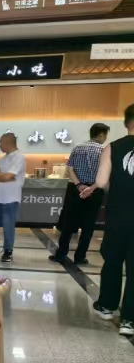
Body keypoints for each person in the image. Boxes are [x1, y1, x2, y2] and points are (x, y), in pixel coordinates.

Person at [81, 106, 134, 336]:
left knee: (113, 260)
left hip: (118, 214)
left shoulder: (113, 147)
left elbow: (101, 182)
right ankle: (129, 320)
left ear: (126, 122)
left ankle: (107, 306)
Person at [50, 123, 109, 265]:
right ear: (101, 134)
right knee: (88, 226)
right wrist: (91, 188)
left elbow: (69, 168)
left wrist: (79, 185)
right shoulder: (104, 151)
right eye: (105, 135)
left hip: (75, 190)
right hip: (95, 191)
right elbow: (105, 174)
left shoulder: (78, 148)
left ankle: (60, 254)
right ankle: (80, 257)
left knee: (68, 224)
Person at [0, 132, 26, 263]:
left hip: (10, 198)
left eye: (1, 142)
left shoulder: (19, 157)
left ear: (8, 142)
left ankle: (8, 251)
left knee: (8, 226)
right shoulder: (3, 159)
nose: (0, 145)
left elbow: (9, 176)